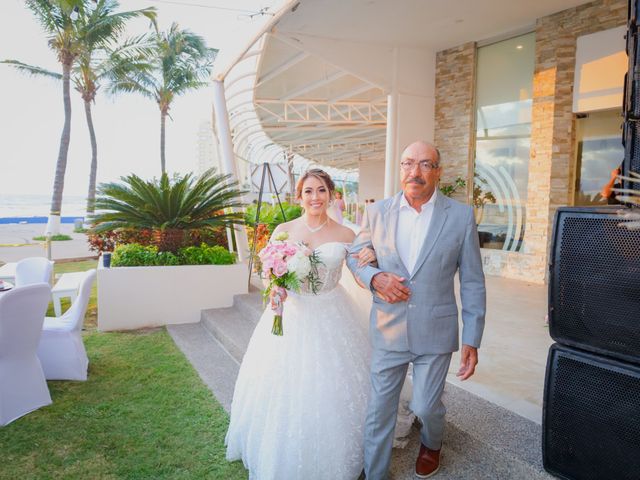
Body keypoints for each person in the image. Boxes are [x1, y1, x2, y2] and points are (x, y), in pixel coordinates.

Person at [225, 169, 378, 480]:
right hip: (291, 316)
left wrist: (371, 258)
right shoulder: (284, 229)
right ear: (299, 196)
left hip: (333, 313)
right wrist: (275, 291)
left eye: (321, 190)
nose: (315, 197)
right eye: (308, 191)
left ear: (332, 195)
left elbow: (362, 277)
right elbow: (270, 274)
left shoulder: (347, 235)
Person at [347, 140, 486, 479]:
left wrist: (472, 338)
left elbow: (472, 281)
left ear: (437, 171)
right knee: (380, 410)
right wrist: (375, 276)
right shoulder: (376, 212)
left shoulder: (461, 217)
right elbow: (355, 255)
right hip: (388, 326)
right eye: (408, 163)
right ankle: (375, 472)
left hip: (436, 330)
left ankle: (432, 441)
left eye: (425, 164)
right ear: (400, 170)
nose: (416, 172)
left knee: (425, 405)